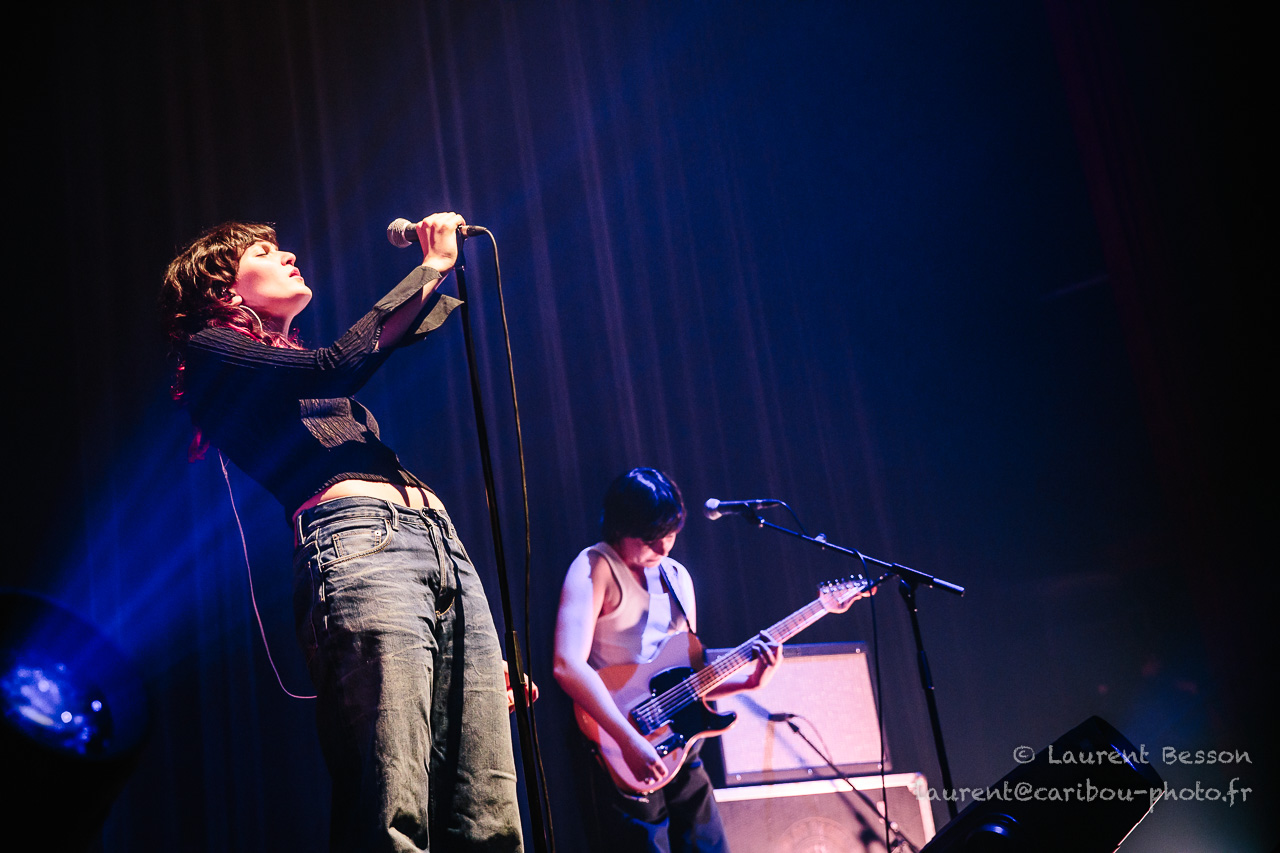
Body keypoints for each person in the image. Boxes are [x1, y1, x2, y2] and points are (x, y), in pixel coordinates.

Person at [160, 214, 523, 853]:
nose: (289, 256)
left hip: (436, 542)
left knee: (486, 808)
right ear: (222, 287)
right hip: (361, 547)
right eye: (264, 252)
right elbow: (336, 365)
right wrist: (430, 269)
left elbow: (347, 360)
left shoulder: (292, 370)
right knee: (393, 801)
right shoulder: (211, 349)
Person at [553, 468, 781, 852]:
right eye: (650, 539)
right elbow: (566, 665)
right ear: (620, 528)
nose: (662, 549)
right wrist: (628, 740)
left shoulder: (677, 577)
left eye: (671, 536)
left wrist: (748, 682)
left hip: (680, 744)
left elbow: (684, 682)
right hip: (620, 742)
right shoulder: (595, 566)